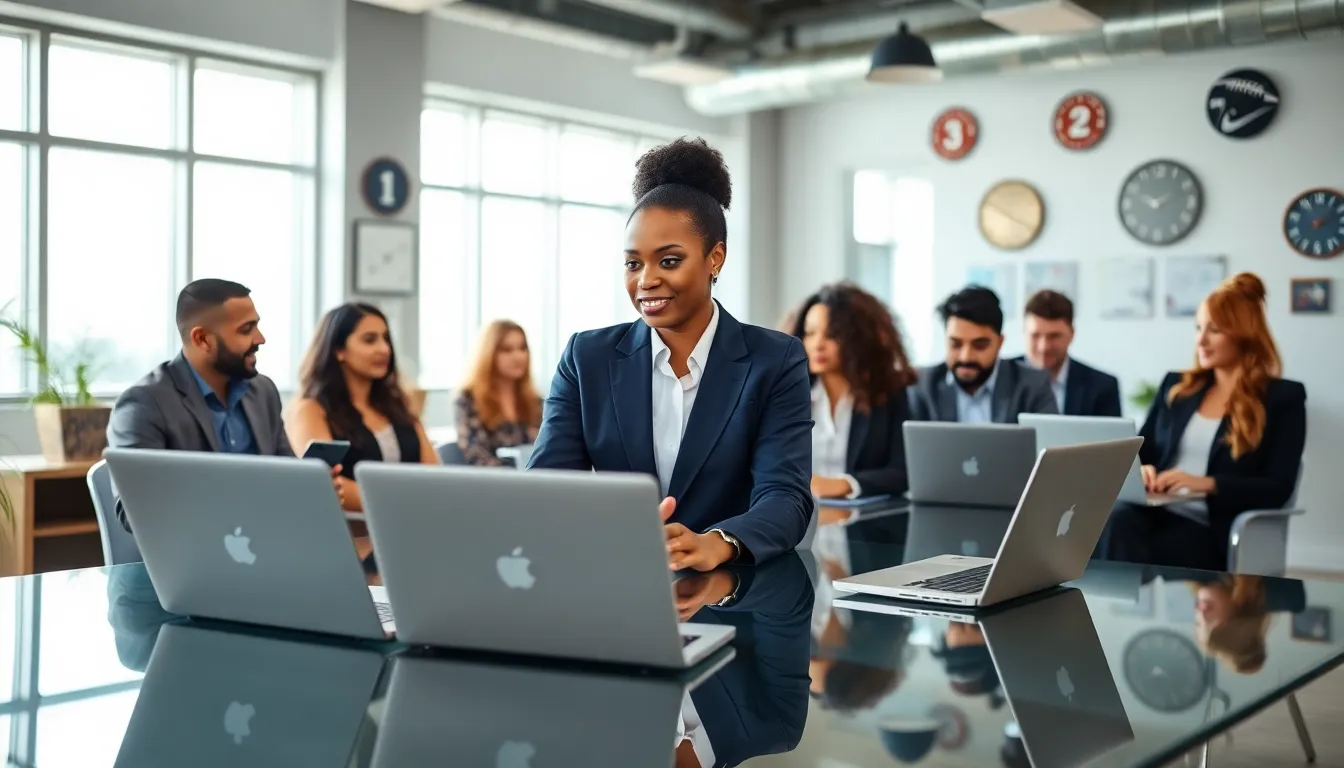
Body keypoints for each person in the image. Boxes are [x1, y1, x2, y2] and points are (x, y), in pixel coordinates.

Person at [526, 136, 813, 571]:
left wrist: (717, 542)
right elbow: (546, 489)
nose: (646, 280)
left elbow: (785, 497)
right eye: (633, 263)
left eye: (670, 261)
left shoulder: (775, 360)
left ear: (715, 258)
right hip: (616, 584)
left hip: (731, 594)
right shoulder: (587, 358)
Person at [1100, 273, 1306, 571]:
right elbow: (1142, 451)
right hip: (1157, 510)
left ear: (1242, 334)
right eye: (1198, 328)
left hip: (1211, 525)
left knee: (1148, 548)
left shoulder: (1282, 398)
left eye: (1215, 330)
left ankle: (1126, 611)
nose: (1201, 340)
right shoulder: (1178, 387)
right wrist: (1142, 471)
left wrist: (1206, 484)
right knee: (1114, 521)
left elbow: (1278, 487)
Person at [107, 279, 335, 532]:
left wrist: (311, 490)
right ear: (202, 339)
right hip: (191, 558)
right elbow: (134, 512)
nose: (261, 339)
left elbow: (285, 476)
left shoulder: (263, 393)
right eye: (246, 330)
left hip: (266, 546)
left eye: (256, 326)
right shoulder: (143, 405)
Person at [288, 302, 438, 513]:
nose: (384, 349)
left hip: (411, 525)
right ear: (339, 350)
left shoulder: (398, 405)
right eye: (369, 340)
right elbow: (327, 482)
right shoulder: (311, 409)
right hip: (353, 535)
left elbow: (433, 474)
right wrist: (405, 503)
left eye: (386, 339)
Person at [789, 282, 917, 499]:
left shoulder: (888, 394)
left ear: (858, 338)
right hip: (795, 519)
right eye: (810, 333)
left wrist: (845, 484)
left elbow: (903, 472)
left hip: (862, 524)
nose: (818, 344)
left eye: (832, 335)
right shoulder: (787, 393)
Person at [906, 286, 1057, 423]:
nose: (966, 357)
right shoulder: (922, 386)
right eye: (955, 344)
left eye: (979, 346)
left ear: (999, 342)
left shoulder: (1032, 385)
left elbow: (1049, 446)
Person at [1014, 289, 1122, 417]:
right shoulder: (999, 378)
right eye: (1035, 335)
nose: (1044, 347)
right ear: (1023, 332)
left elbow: (1112, 437)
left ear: (1071, 334)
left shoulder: (1102, 387)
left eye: (1054, 336)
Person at [455, 320, 543, 467]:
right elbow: (475, 455)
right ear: (489, 353)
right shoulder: (468, 400)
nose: (518, 356)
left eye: (523, 348)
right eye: (507, 350)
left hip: (535, 482)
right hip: (493, 485)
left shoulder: (536, 402)